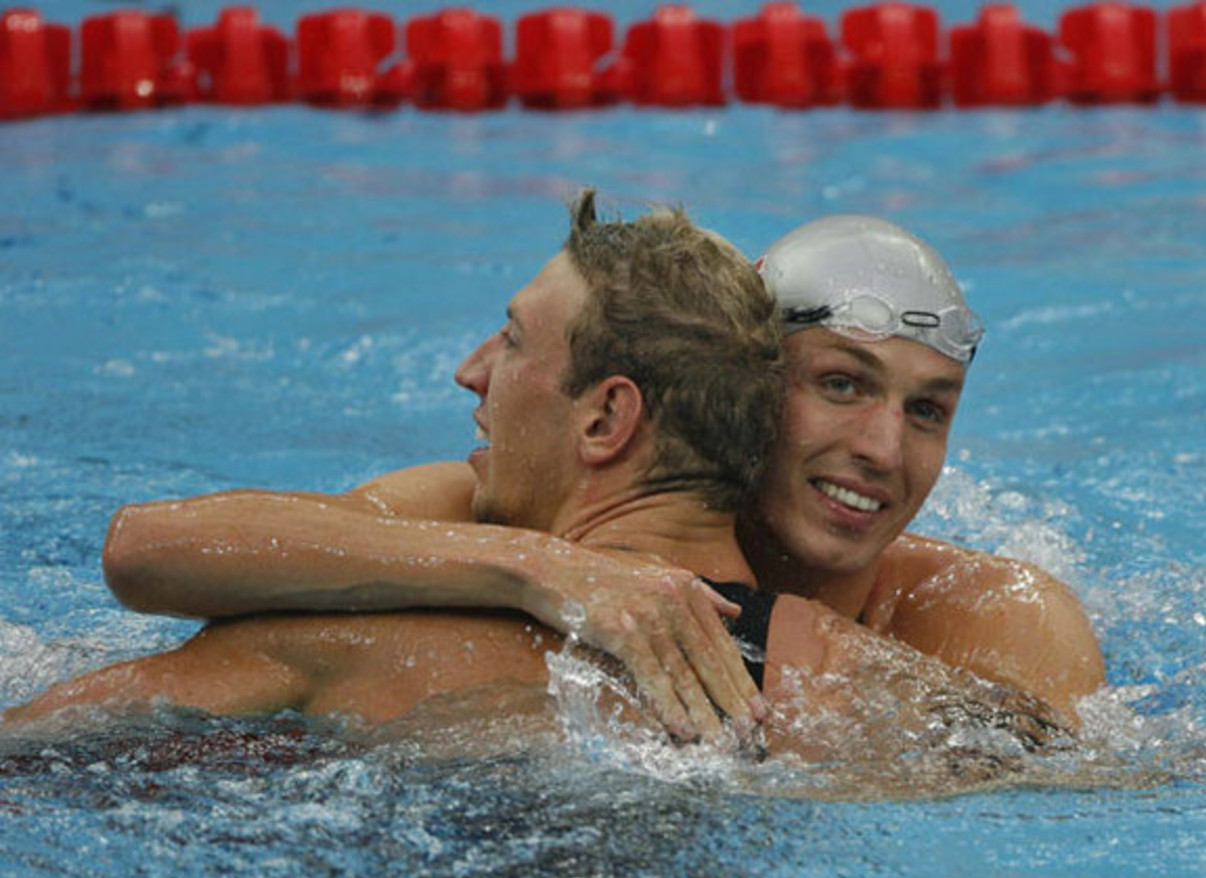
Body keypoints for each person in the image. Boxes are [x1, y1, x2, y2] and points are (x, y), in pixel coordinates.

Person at [6, 193, 1063, 765]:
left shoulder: (343, 635)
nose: (882, 445)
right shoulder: (850, 676)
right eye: (841, 385)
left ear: (609, 416)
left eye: (509, 342)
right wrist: (535, 567)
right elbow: (1097, 780)